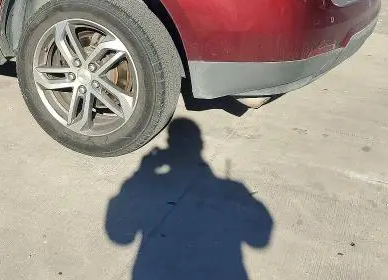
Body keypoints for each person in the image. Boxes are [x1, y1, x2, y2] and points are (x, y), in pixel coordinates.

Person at [105, 118, 273, 279]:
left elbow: (120, 236)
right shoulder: (234, 190)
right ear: (200, 145)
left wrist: (142, 173)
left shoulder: (150, 185)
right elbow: (259, 240)